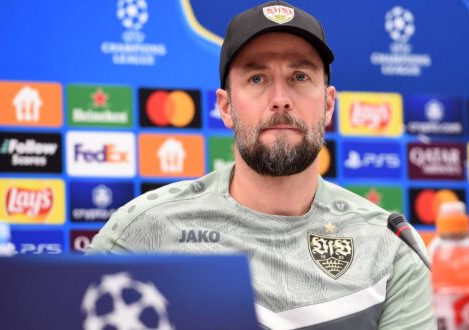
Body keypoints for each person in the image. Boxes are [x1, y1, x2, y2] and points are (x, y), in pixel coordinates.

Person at [88, 1, 436, 329]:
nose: (281, 100)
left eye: (300, 76)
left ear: (329, 104)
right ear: (225, 107)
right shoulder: (146, 229)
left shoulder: (388, 246)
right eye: (257, 79)